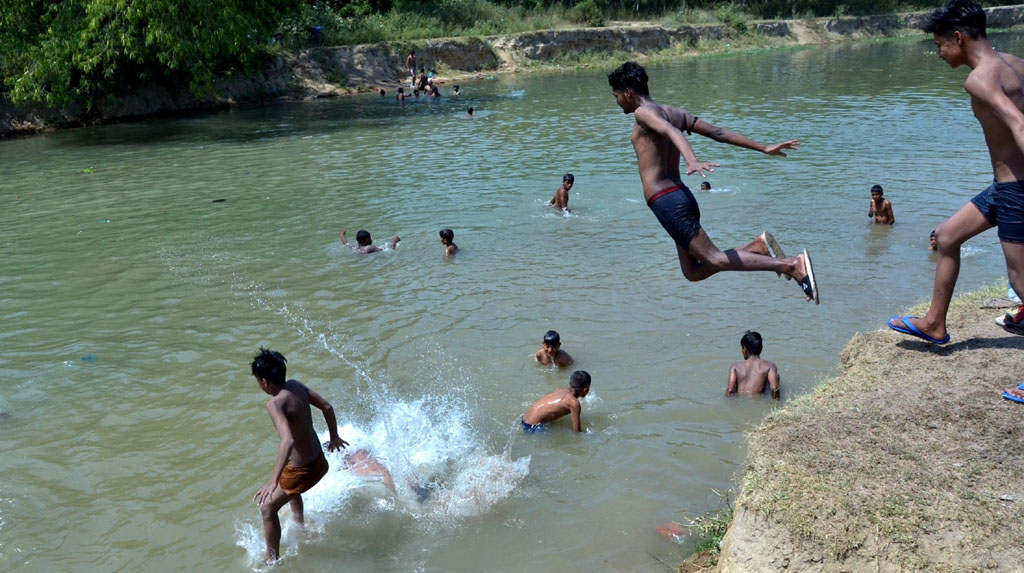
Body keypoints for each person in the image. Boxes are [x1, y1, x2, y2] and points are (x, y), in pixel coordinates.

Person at [606, 62, 818, 304]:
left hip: (667, 201)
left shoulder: (642, 113)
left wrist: (692, 160)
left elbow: (672, 133)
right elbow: (718, 133)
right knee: (693, 272)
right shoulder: (675, 113)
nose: (617, 102)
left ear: (629, 92)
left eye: (616, 96)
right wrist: (763, 147)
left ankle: (791, 264)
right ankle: (756, 248)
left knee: (714, 259)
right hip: (680, 197)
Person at [888, 0, 1024, 345]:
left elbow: (1017, 122)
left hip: (1016, 190)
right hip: (1004, 186)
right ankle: (934, 323)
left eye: (939, 46)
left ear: (959, 37)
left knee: (1020, 282)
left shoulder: (979, 80)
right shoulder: (1016, 64)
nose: (939, 54)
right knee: (947, 237)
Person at [250, 348, 348, 564]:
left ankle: (272, 561)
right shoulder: (296, 386)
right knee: (289, 480)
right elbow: (327, 406)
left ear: (264, 382)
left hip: (304, 472)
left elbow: (288, 441)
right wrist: (334, 437)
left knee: (267, 508)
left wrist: (272, 482)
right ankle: (299, 526)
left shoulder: (274, 403)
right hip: (320, 462)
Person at [522, 370, 592, 432]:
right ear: (585, 389)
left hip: (525, 418)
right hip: (532, 427)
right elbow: (577, 432)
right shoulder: (574, 403)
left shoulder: (563, 390)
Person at [726, 331, 780, 400]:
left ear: (744, 349)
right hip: (758, 404)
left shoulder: (735, 366)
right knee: (776, 376)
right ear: (761, 348)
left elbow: (730, 390)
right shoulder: (770, 366)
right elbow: (774, 388)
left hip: (741, 404)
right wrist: (776, 403)